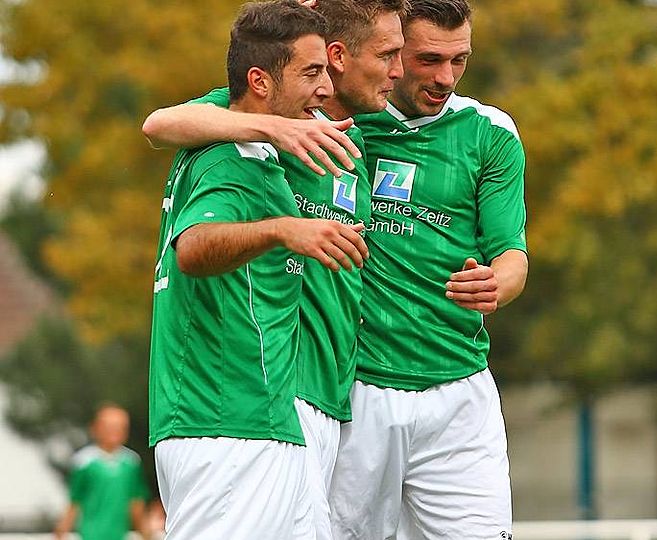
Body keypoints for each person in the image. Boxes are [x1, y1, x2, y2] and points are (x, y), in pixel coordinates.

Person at [142, 1, 404, 537]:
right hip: (230, 414)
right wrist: (284, 230)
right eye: (311, 73)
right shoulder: (231, 152)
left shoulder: (255, 152)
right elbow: (192, 247)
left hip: (261, 415)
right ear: (260, 82)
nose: (325, 88)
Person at [329, 0, 528, 538]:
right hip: (357, 390)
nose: (446, 77)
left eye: (459, 60)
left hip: (460, 392)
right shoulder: (341, 118)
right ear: (393, 53)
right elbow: (180, 119)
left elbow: (512, 254)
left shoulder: (490, 133)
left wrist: (495, 284)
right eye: (429, 59)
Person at [54, 404, 150, 540]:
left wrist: (146, 533)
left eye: (121, 427)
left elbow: (136, 503)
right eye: (110, 427)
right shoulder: (83, 462)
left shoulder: (132, 462)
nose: (115, 432)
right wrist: (61, 531)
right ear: (95, 428)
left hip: (119, 536)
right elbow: (74, 502)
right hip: (90, 536)